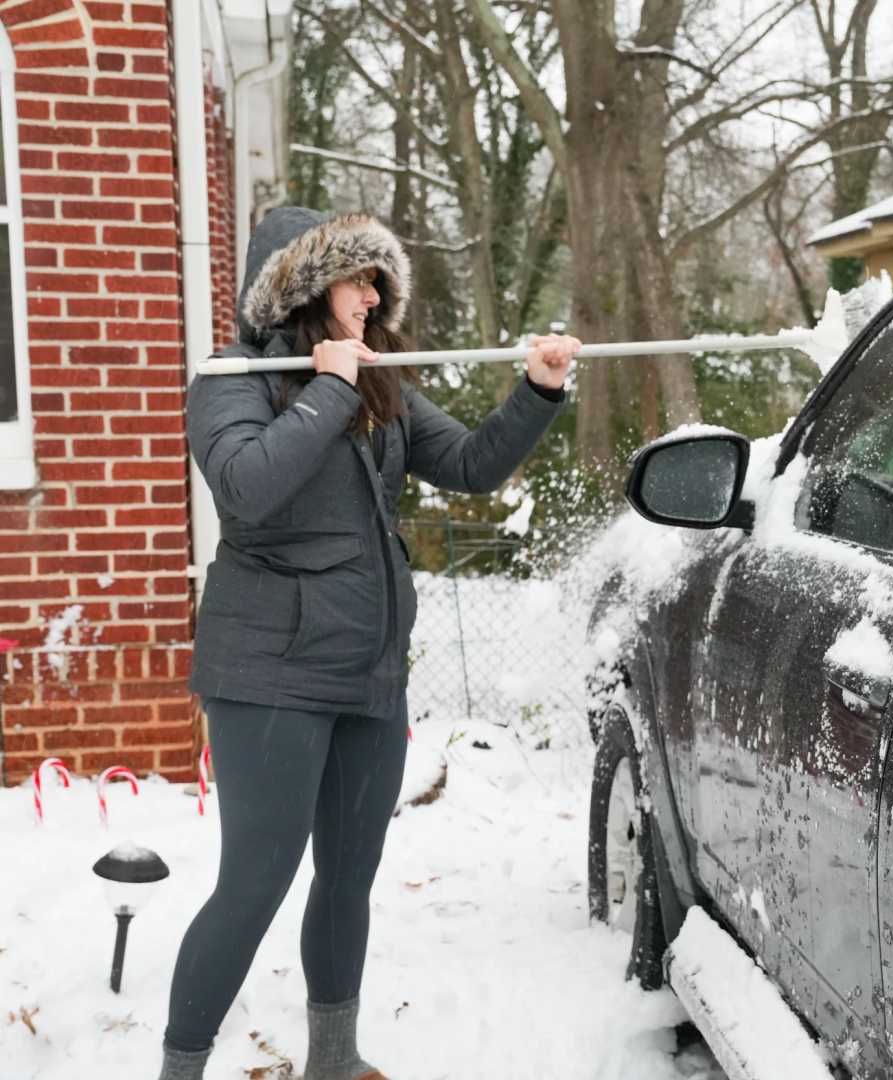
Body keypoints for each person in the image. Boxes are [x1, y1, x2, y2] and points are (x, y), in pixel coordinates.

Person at [159, 207, 581, 1080]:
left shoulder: (379, 383)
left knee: (348, 879)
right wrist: (328, 390)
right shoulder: (233, 377)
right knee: (254, 884)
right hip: (270, 676)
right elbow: (246, 487)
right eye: (358, 278)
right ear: (306, 287)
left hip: (368, 672)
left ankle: (334, 1060)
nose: (374, 296)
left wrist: (537, 390)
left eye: (378, 280)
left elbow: (470, 465)